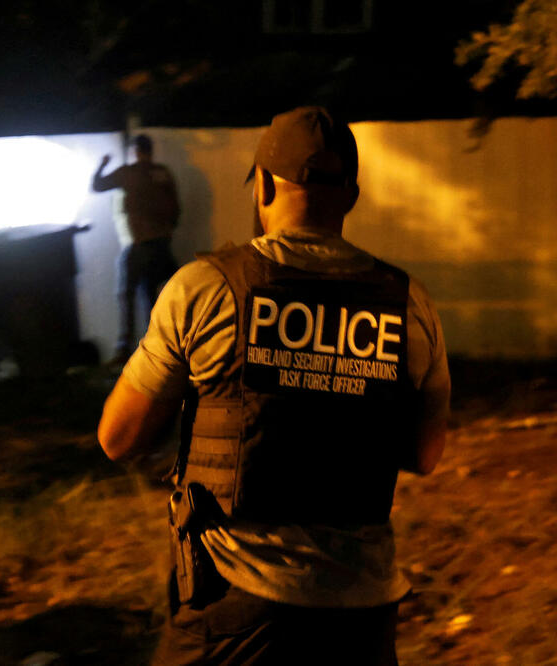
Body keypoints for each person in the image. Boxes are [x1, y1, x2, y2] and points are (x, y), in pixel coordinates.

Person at [97, 107, 450, 665]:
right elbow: (424, 454)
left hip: (236, 612)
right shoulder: (410, 304)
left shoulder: (205, 289)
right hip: (364, 614)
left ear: (261, 183)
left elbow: (118, 437)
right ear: (352, 196)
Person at [92, 134, 181, 364]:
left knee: (127, 295)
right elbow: (176, 208)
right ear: (151, 151)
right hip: (162, 245)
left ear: (135, 151)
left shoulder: (128, 173)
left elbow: (97, 185)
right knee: (153, 299)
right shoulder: (163, 172)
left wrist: (101, 165)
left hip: (138, 245)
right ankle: (160, 352)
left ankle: (124, 350)